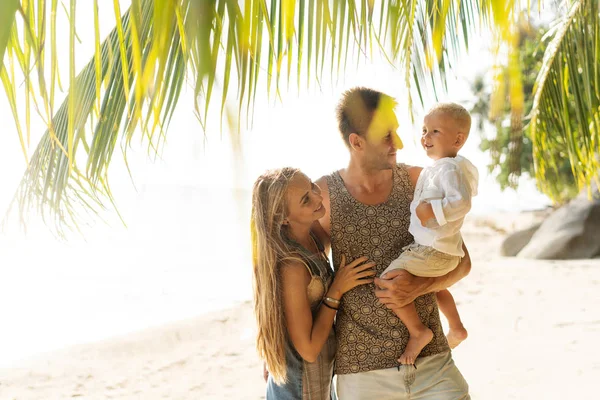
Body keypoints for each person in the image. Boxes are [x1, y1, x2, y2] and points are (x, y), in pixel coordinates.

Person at [312, 87, 472, 399]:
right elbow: (306, 279)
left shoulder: (421, 181)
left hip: (433, 363)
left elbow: (462, 262)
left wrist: (418, 286)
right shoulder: (324, 196)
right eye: (387, 136)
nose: (398, 143)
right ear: (357, 142)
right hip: (361, 372)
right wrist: (279, 350)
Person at [251, 167, 376, 400]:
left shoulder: (314, 239)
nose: (318, 197)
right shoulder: (293, 267)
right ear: (284, 218)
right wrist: (336, 290)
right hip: (299, 390)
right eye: (306, 199)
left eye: (312, 186)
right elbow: (308, 350)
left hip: (319, 382)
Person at [380, 102, 478, 366]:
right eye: (424, 130)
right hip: (440, 248)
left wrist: (431, 212)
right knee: (435, 287)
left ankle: (418, 331)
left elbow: (462, 203)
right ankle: (456, 327)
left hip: (433, 249)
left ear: (458, 139)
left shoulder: (449, 168)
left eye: (435, 131)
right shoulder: (442, 167)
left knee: (388, 281)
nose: (425, 137)